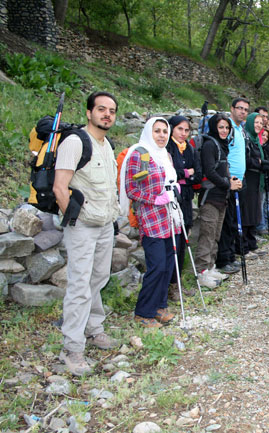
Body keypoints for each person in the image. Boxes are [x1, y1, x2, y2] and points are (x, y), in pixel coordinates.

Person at [52, 91, 120, 376]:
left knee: (98, 277)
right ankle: (72, 348)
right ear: (89, 112)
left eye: (112, 111)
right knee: (80, 284)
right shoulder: (74, 142)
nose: (107, 114)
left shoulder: (107, 144)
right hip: (82, 226)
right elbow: (59, 187)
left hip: (104, 224)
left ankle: (94, 329)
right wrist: (74, 220)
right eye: (101, 109)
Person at [121, 117, 179, 329]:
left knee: (168, 265)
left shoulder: (166, 155)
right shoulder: (140, 154)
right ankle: (143, 312)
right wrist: (155, 198)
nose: (162, 135)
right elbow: (132, 189)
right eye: (157, 131)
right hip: (151, 218)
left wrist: (175, 189)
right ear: (148, 132)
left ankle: (159, 306)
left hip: (170, 218)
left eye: (165, 131)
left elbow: (171, 180)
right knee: (157, 266)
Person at [195, 114, 241, 289]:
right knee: (207, 235)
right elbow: (210, 172)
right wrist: (228, 184)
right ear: (214, 127)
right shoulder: (209, 145)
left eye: (227, 128)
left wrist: (232, 180)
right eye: (221, 127)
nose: (224, 131)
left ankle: (210, 267)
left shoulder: (222, 146)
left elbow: (222, 170)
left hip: (222, 197)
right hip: (210, 197)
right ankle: (201, 272)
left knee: (215, 235)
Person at [166, 115, 201, 301]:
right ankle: (170, 285)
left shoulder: (190, 149)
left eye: (186, 130)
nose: (183, 133)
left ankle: (177, 283)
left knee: (183, 241)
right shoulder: (167, 148)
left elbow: (199, 172)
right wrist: (187, 174)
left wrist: (184, 176)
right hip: (173, 200)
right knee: (175, 242)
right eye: (180, 129)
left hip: (186, 199)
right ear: (172, 128)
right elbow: (170, 174)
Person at [215, 97, 249, 274]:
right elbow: (223, 153)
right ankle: (223, 259)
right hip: (229, 180)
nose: (242, 112)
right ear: (232, 109)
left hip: (239, 180)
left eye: (245, 109)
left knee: (234, 220)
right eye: (240, 108)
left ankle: (230, 255)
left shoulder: (240, 129)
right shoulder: (227, 128)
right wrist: (229, 178)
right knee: (227, 221)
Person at [240, 112, 265, 259]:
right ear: (250, 122)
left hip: (256, 180)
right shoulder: (246, 138)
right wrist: (260, 164)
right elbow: (246, 160)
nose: (259, 125)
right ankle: (244, 246)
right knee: (247, 212)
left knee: (254, 211)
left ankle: (251, 242)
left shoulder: (255, 140)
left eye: (261, 123)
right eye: (256, 122)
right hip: (248, 178)